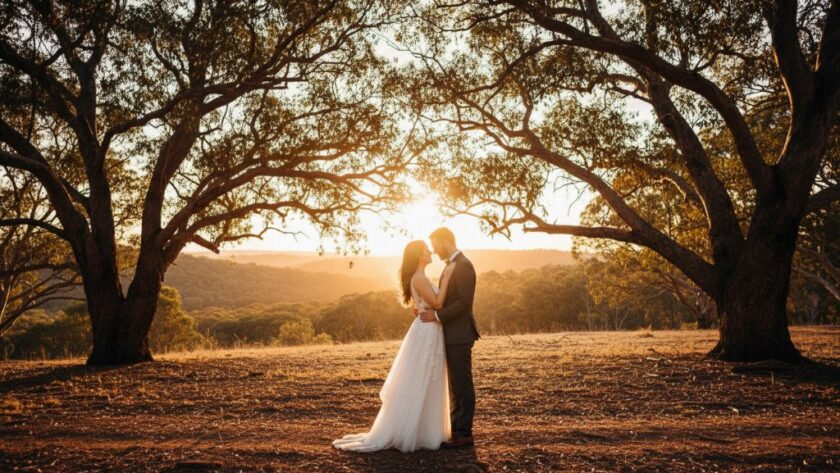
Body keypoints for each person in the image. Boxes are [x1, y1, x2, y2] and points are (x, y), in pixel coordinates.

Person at [332, 240, 455, 452]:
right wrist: (448, 279)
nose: (430, 252)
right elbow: (437, 303)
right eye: (426, 250)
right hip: (426, 332)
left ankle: (425, 430)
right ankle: (416, 431)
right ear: (419, 255)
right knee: (423, 377)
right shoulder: (419, 278)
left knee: (427, 378)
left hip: (428, 330)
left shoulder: (419, 278)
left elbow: (426, 304)